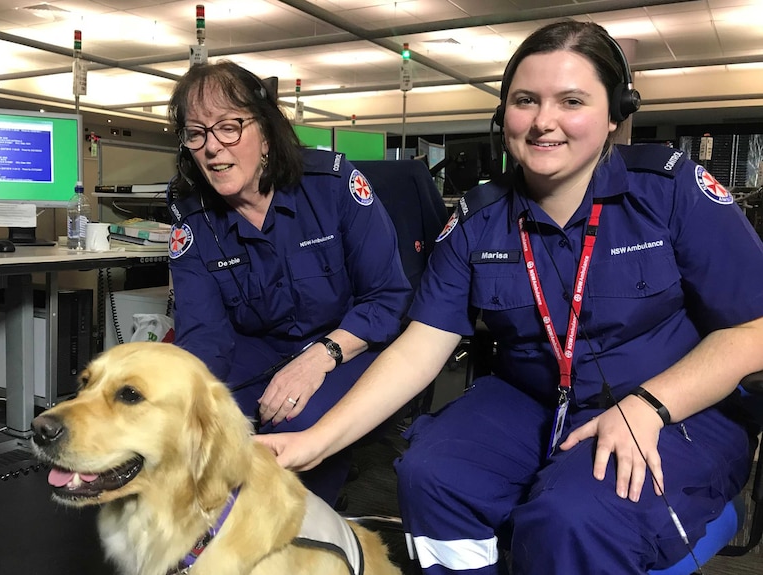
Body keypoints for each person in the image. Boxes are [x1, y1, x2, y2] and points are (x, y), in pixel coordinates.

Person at [256, 20, 763, 574]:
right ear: (504, 116)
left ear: (614, 114)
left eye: (572, 100)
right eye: (526, 101)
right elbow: (420, 347)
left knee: (571, 517)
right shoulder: (478, 218)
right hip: (534, 398)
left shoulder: (669, 190)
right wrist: (316, 440)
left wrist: (650, 404)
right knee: (430, 475)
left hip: (672, 403)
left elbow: (754, 327)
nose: (544, 121)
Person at [165, 60, 412, 507]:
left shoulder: (333, 184)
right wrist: (190, 403)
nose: (212, 148)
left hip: (347, 342)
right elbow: (205, 333)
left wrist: (321, 357)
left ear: (265, 132)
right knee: (192, 431)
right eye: (196, 133)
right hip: (257, 347)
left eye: (229, 127)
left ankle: (300, 543)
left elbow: (387, 297)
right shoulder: (192, 216)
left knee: (293, 431)